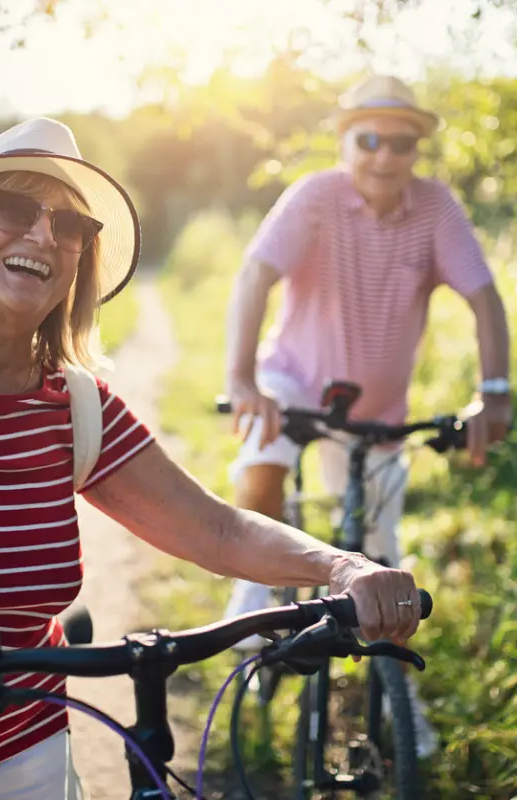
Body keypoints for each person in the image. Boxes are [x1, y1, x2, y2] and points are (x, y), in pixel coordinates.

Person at [0, 117, 429, 800]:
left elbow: (216, 529)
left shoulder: (75, 406)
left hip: (24, 744)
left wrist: (346, 566)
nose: (42, 234)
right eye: (15, 207)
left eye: (70, 225)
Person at [222, 76, 513, 757]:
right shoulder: (316, 197)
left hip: (381, 411)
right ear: (346, 139)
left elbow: (485, 297)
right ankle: (250, 585)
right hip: (292, 380)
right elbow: (255, 275)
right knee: (264, 461)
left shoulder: (436, 207)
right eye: (370, 138)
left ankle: (397, 696)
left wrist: (494, 392)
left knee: (380, 554)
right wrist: (240, 379)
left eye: (402, 141)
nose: (385, 155)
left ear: (418, 148)